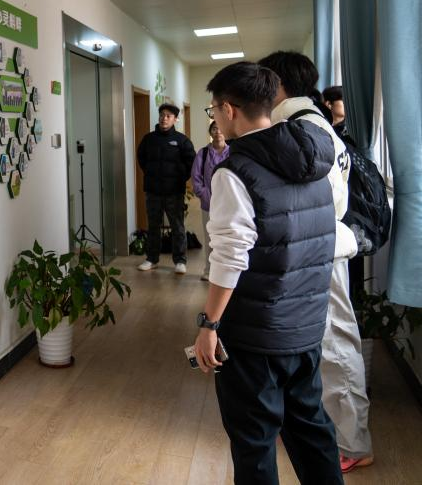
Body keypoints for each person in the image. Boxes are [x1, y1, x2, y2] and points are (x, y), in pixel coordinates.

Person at [193, 61, 344, 484]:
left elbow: (229, 256)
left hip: (255, 335)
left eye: (213, 109)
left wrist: (209, 323)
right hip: (305, 327)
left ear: (229, 109)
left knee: (255, 442)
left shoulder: (235, 172)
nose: (216, 116)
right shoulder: (314, 160)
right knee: (311, 431)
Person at [258, 52, 371, 474]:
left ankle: (353, 442)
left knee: (335, 344)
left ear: (277, 84)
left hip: (318, 251)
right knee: (326, 343)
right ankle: (335, 433)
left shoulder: (303, 127)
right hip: (319, 249)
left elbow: (314, 199)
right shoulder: (312, 122)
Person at [136, 102, 195, 274]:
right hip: (153, 191)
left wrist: (180, 178)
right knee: (153, 226)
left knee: (177, 226)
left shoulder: (182, 140)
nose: (164, 118)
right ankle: (152, 259)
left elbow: (191, 163)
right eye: (162, 115)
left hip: (174, 192)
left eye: (168, 116)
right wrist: (151, 173)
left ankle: (180, 261)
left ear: (175, 119)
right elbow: (141, 159)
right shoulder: (148, 139)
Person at [191, 120, 229, 282]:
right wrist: (204, 194)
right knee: (210, 239)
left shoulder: (233, 152)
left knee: (227, 239)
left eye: (220, 128)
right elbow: (196, 177)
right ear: (210, 132)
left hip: (229, 204)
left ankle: (225, 273)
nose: (218, 131)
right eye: (214, 129)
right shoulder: (203, 153)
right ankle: (209, 270)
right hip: (209, 203)